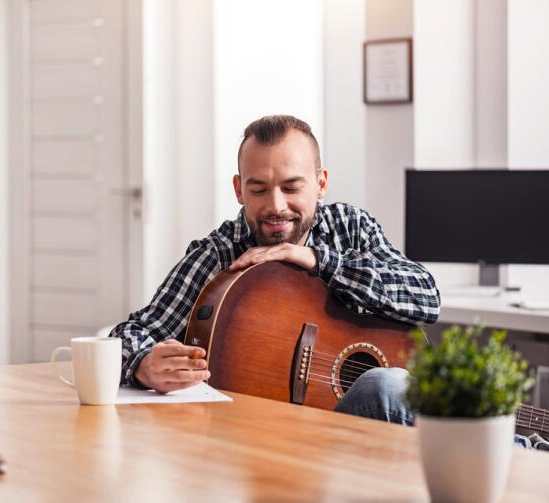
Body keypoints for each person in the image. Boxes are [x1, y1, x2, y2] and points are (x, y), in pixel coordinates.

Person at [109, 115, 441, 425]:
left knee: (389, 385)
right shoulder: (219, 254)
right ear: (239, 190)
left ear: (321, 183)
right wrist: (142, 364)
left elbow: (425, 296)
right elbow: (125, 337)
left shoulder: (351, 228)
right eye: (259, 190)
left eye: (292, 188)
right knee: (389, 388)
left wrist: (318, 259)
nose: (276, 206)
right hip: (264, 441)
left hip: (358, 436)